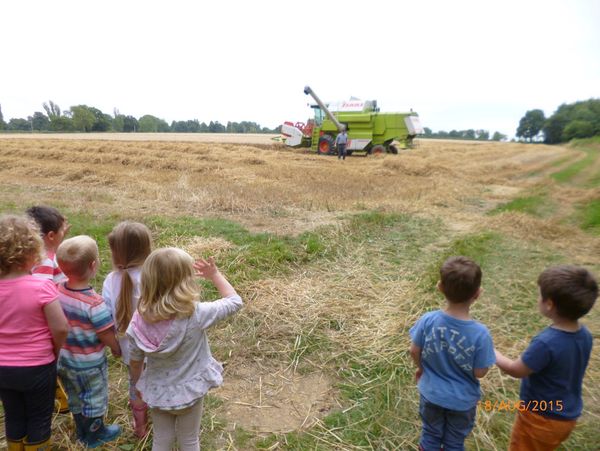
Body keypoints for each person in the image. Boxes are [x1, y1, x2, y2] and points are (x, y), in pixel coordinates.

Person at [127, 248, 243, 451]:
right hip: (190, 393)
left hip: (158, 393)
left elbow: (135, 361)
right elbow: (234, 302)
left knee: (162, 439)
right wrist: (215, 275)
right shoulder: (196, 314)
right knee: (189, 440)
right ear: (186, 281)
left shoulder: (139, 320)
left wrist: (138, 385)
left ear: (148, 280)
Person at [495, 265, 598, 451]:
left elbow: (515, 370)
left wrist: (492, 352)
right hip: (567, 415)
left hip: (540, 417)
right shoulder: (585, 335)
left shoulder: (546, 343)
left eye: (539, 295)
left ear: (549, 304)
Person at [409, 256, 495, 451]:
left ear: (439, 287)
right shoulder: (481, 334)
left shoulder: (428, 320)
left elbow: (414, 350)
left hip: (431, 394)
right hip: (462, 402)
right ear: (478, 293)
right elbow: (480, 372)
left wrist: (422, 369)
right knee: (454, 442)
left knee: (430, 434)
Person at [0, 215, 69, 451]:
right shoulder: (42, 286)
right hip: (37, 366)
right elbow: (60, 328)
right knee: (39, 418)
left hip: (2, 369)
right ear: (31, 251)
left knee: (14, 416)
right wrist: (54, 350)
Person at [55, 235, 122, 448]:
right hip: (90, 365)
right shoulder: (95, 304)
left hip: (65, 361)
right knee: (94, 399)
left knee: (74, 396)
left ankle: (81, 430)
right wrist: (116, 347)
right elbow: (104, 333)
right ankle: (95, 434)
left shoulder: (57, 291)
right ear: (93, 265)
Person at [102, 221, 153, 438]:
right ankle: (164, 420)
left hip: (130, 351)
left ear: (115, 253)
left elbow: (106, 318)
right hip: (158, 349)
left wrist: (114, 345)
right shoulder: (155, 277)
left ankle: (140, 426)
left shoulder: (111, 280)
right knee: (159, 383)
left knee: (136, 386)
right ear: (147, 249)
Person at [26, 205, 72, 414]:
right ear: (51, 236)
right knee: (51, 364)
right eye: (63, 230)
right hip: (46, 323)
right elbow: (45, 292)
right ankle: (60, 401)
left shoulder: (28, 257)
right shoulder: (48, 260)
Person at [26, 205, 70, 284]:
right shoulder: (45, 261)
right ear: (51, 236)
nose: (63, 232)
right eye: (62, 230)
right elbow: (41, 290)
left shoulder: (35, 254)